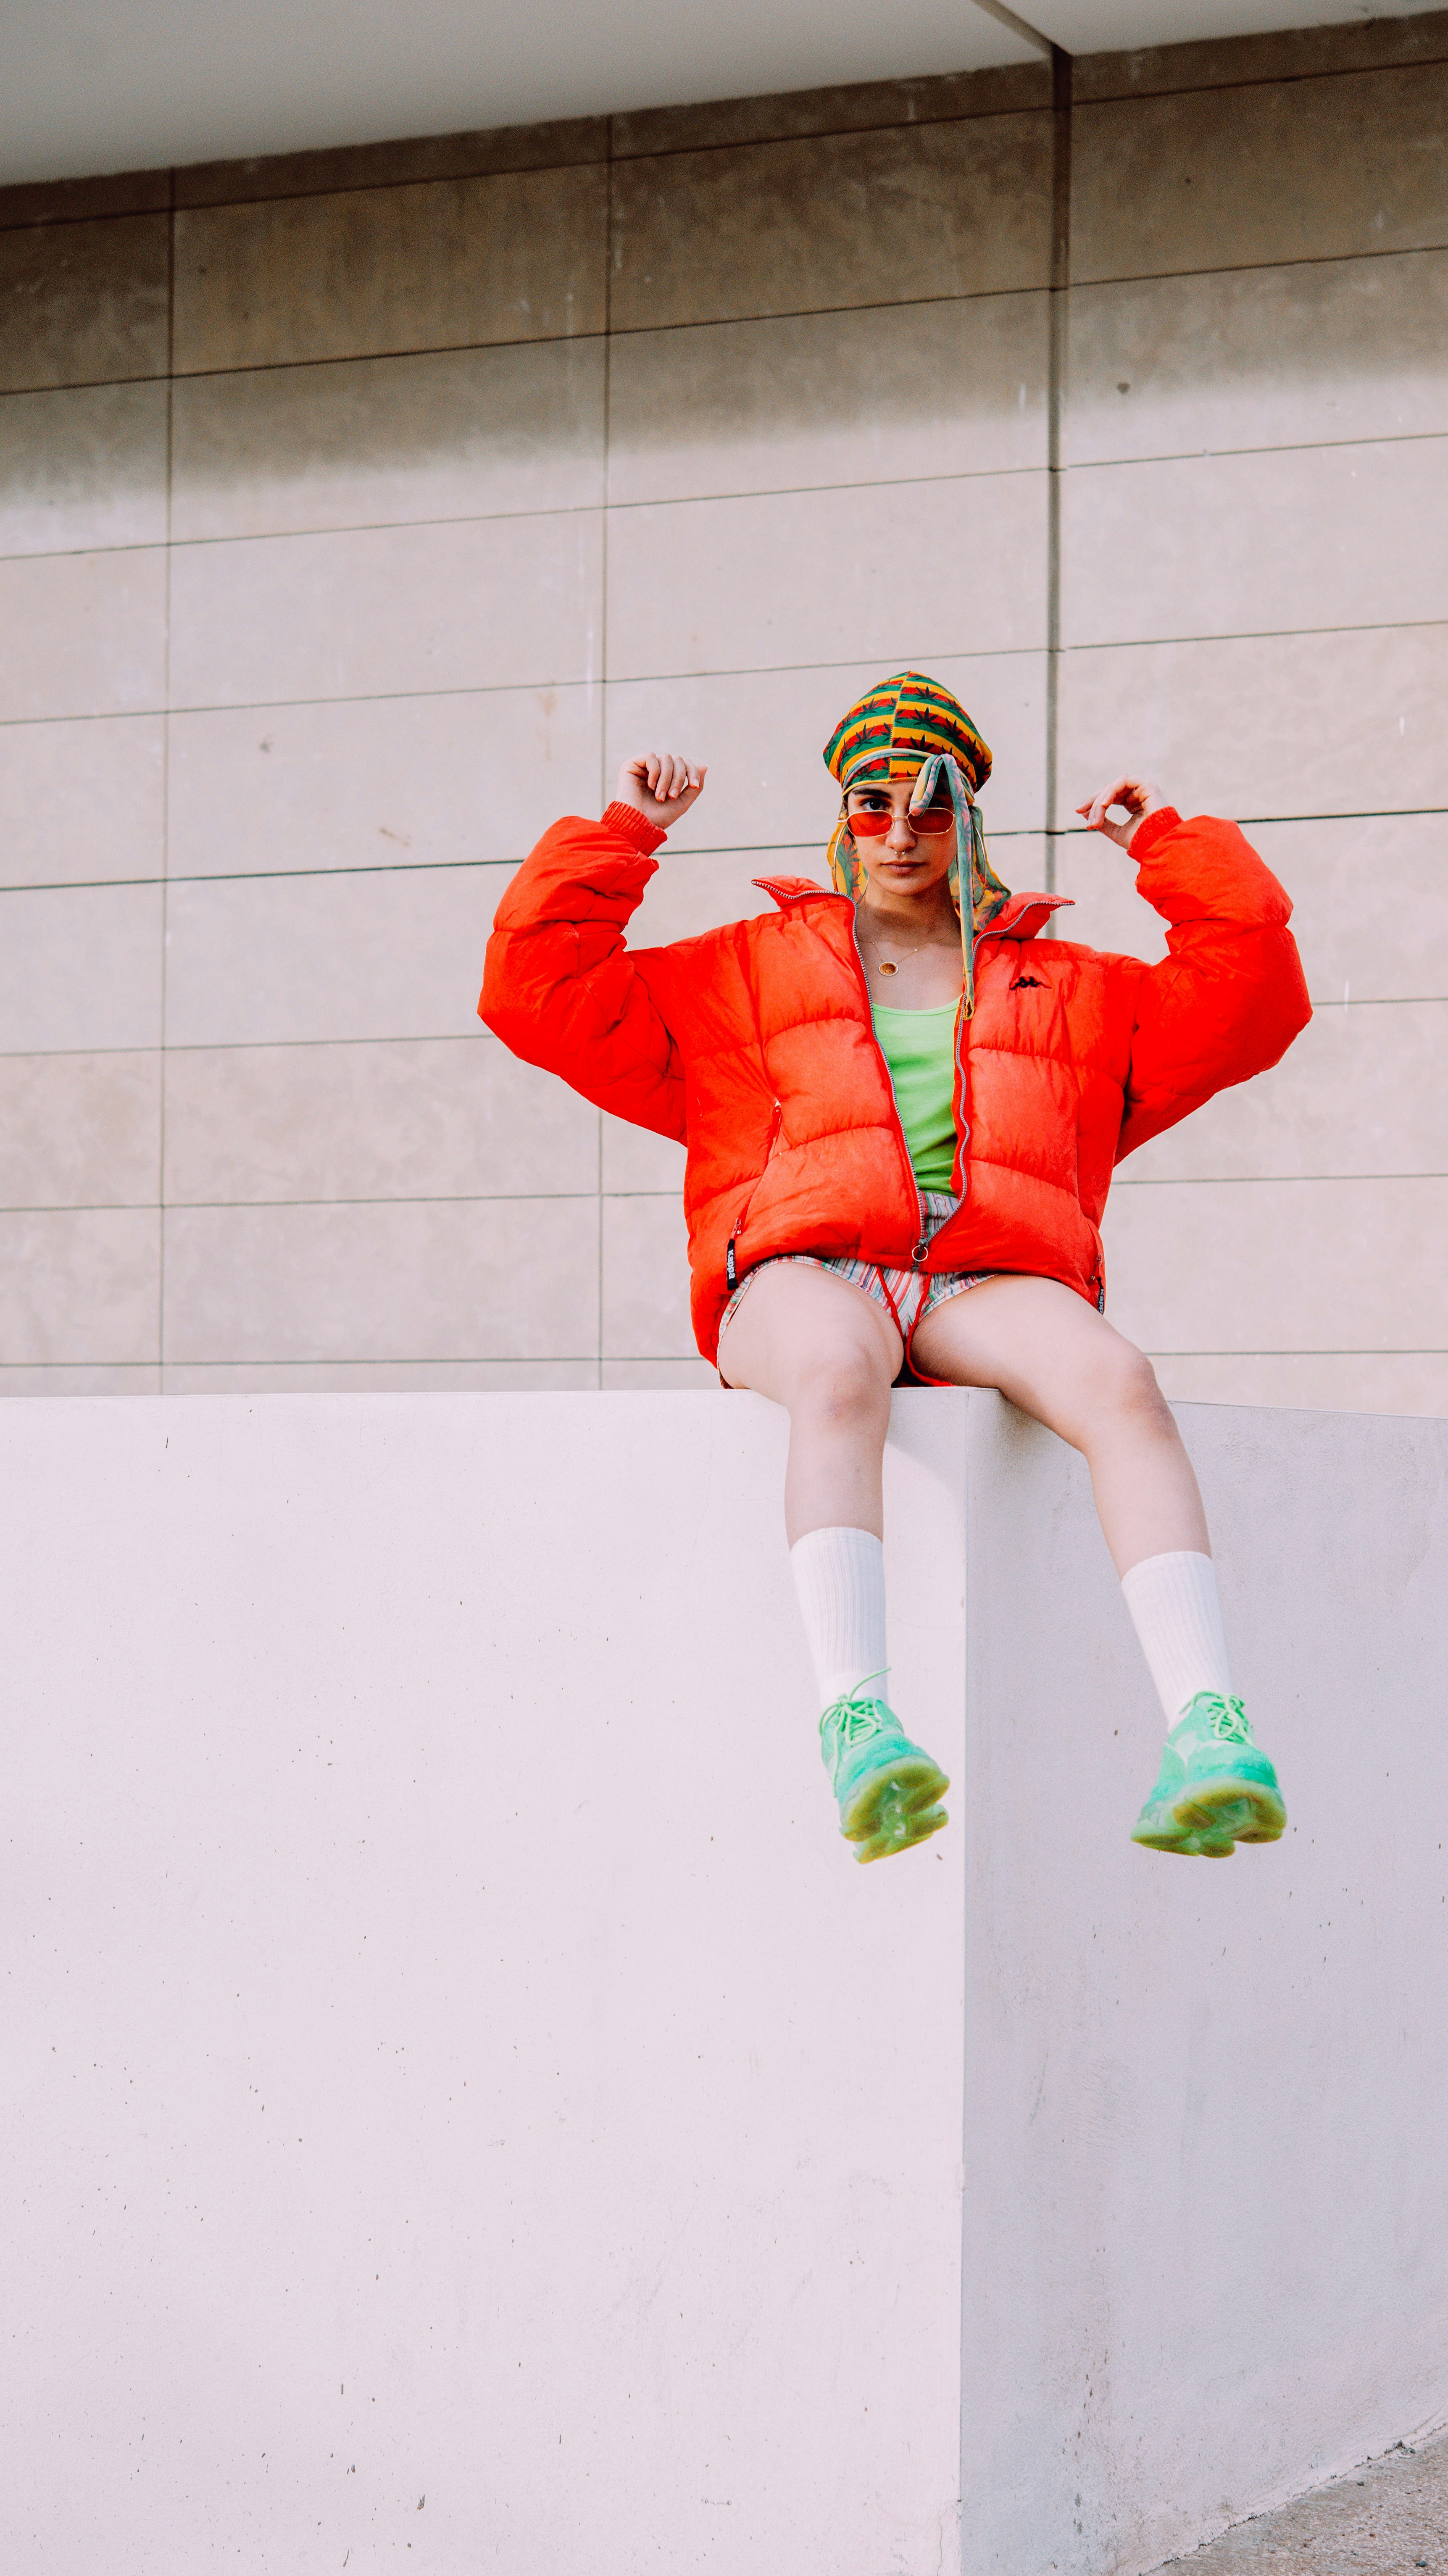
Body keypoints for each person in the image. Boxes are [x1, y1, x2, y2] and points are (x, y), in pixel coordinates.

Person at [479, 673, 1311, 1866]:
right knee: (830, 1376)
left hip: (985, 1275)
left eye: (932, 806)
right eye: (874, 804)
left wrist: (1166, 846)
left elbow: (1250, 998)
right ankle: (858, 1720)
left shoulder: (1065, 983)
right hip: (802, 1266)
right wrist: (622, 838)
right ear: (841, 816)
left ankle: (1208, 1729)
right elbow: (537, 989)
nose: (902, 831)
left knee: (1119, 1384)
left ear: (968, 818)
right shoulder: (740, 970)